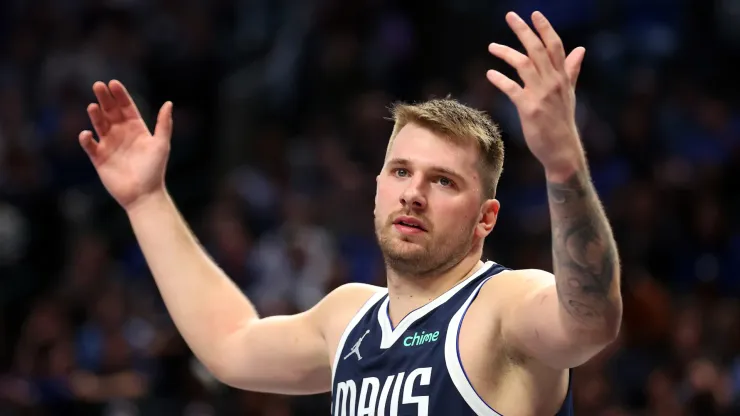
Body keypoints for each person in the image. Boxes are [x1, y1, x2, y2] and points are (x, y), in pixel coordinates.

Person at [78, 11, 621, 416]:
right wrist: (147, 200)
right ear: (378, 186)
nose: (414, 193)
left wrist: (563, 164)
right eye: (401, 171)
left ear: (486, 219)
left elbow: (590, 321)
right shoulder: (349, 318)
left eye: (444, 181)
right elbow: (230, 344)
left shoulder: (504, 305)